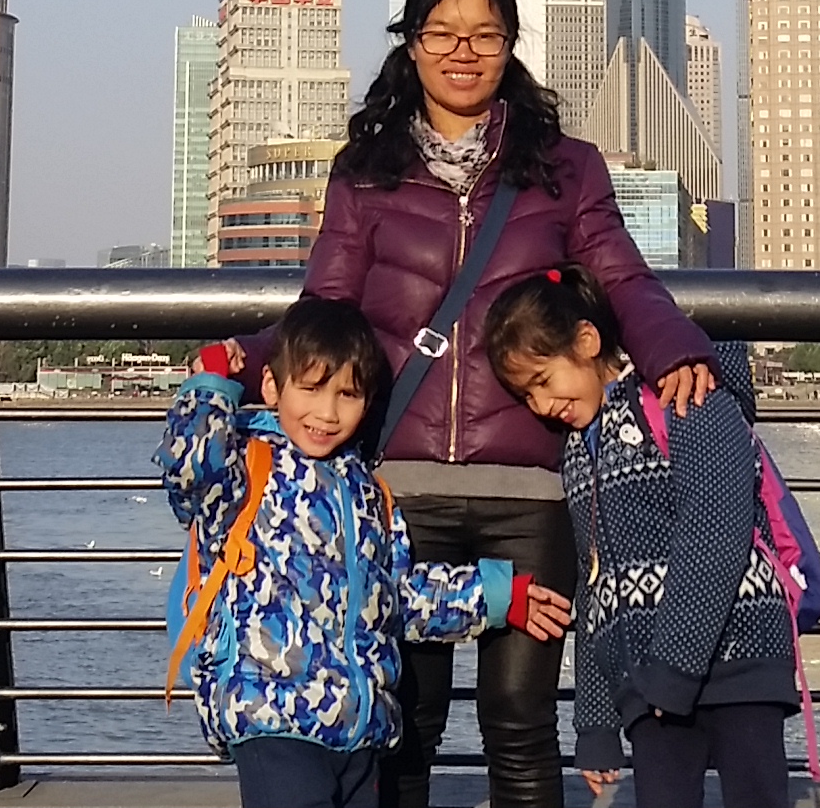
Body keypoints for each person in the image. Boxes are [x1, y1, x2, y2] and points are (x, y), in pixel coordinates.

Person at [227, 0, 720, 808]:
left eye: (484, 34)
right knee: (401, 724)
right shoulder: (366, 168)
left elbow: (624, 278)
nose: (463, 51)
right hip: (396, 486)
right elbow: (328, 307)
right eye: (441, 33)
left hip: (530, 487)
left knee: (520, 725)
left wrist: (677, 346)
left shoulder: (566, 168)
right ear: (411, 45)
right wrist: (233, 366)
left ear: (510, 45)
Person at [158, 296, 576, 808]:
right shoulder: (247, 467)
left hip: (358, 725)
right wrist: (211, 388)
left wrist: (493, 595)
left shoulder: (369, 493)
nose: (327, 412)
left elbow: (397, 598)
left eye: (347, 394)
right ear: (272, 387)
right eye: (310, 389)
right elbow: (190, 473)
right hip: (271, 715)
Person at [485, 266, 795, 808]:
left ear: (586, 340)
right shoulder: (580, 450)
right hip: (650, 684)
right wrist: (596, 726)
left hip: (737, 656)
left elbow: (716, 531)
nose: (540, 406)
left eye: (542, 380)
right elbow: (596, 584)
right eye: (524, 395)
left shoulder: (683, 395)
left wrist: (672, 668)